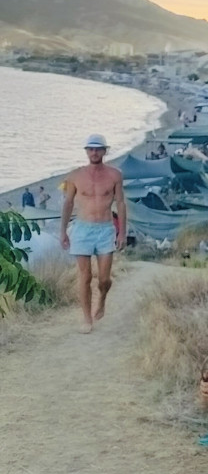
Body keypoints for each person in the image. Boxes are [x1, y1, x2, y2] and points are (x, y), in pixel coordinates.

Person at [60, 134, 127, 333]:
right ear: (86, 151)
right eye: (91, 149)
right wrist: (63, 231)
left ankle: (102, 299)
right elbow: (68, 203)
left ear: (105, 151)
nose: (94, 152)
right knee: (85, 276)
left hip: (105, 229)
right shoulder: (75, 176)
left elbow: (120, 203)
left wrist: (122, 233)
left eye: (98, 149)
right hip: (82, 229)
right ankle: (87, 318)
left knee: (104, 279)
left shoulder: (115, 175)